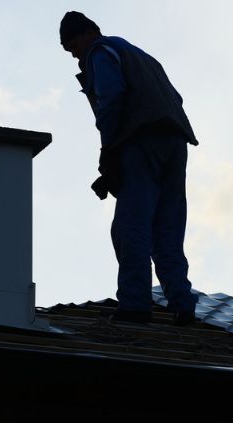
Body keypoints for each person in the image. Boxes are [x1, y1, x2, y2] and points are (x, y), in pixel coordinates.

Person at [59, 11, 198, 326]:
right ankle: (182, 304)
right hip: (175, 144)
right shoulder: (140, 55)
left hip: (141, 141)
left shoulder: (101, 52)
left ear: (85, 35)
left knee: (130, 227)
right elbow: (175, 97)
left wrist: (109, 151)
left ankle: (135, 305)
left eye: (73, 47)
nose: (75, 56)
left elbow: (110, 98)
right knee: (168, 229)